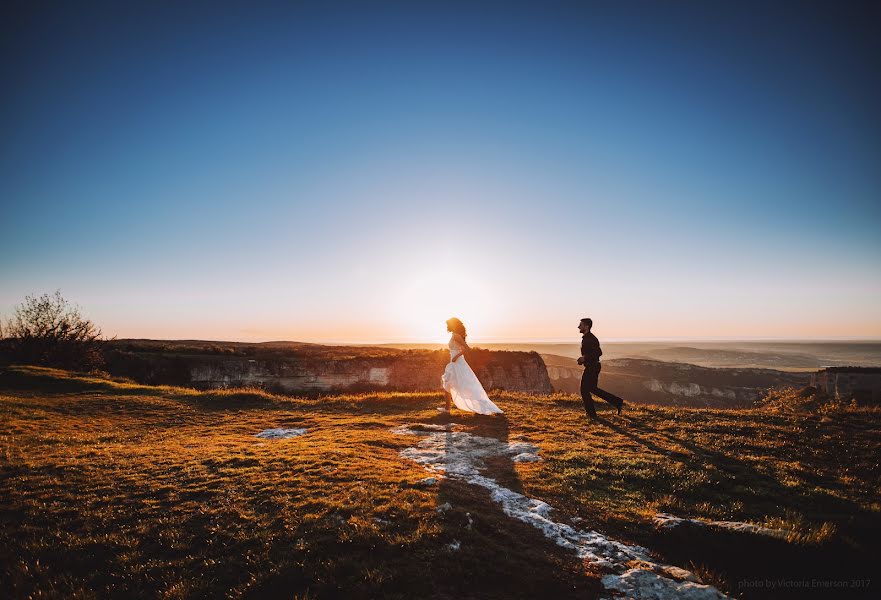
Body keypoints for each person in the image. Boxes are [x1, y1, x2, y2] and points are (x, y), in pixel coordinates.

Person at [439, 317, 503, 415]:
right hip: (454, 363)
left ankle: (480, 405)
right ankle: (447, 408)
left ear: (453, 325)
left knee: (464, 385)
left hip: (458, 363)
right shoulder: (454, 335)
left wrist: (456, 356)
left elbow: (467, 349)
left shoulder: (456, 336)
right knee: (448, 384)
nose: (447, 326)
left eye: (448, 324)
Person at [578, 317, 624, 419]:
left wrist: (584, 358)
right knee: (592, 389)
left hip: (592, 367)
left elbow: (599, 352)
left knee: (584, 390)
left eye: (580, 325)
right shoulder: (587, 338)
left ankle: (592, 415)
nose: (578, 327)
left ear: (586, 326)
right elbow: (593, 354)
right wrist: (583, 360)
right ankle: (617, 402)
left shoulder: (590, 339)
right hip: (592, 366)